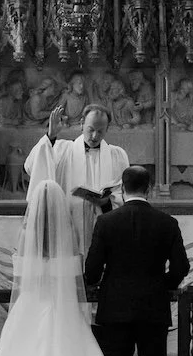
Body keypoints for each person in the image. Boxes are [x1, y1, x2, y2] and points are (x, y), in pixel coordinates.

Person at [0, 179, 167, 356]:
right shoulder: (69, 232)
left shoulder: (26, 233)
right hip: (62, 308)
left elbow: (22, 279)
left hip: (31, 306)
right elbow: (77, 275)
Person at [85, 165, 190, 356]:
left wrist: (95, 284)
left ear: (122, 189)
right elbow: (181, 267)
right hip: (153, 304)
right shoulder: (167, 223)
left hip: (114, 304)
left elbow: (92, 269)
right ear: (149, 189)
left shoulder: (106, 222)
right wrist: (163, 285)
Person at [24, 104, 130, 252]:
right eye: (91, 130)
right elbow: (32, 166)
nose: (94, 136)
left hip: (104, 225)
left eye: (100, 131)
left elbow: (125, 193)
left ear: (107, 129)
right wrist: (51, 136)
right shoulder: (62, 150)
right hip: (68, 224)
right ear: (81, 124)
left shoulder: (117, 156)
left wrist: (107, 202)